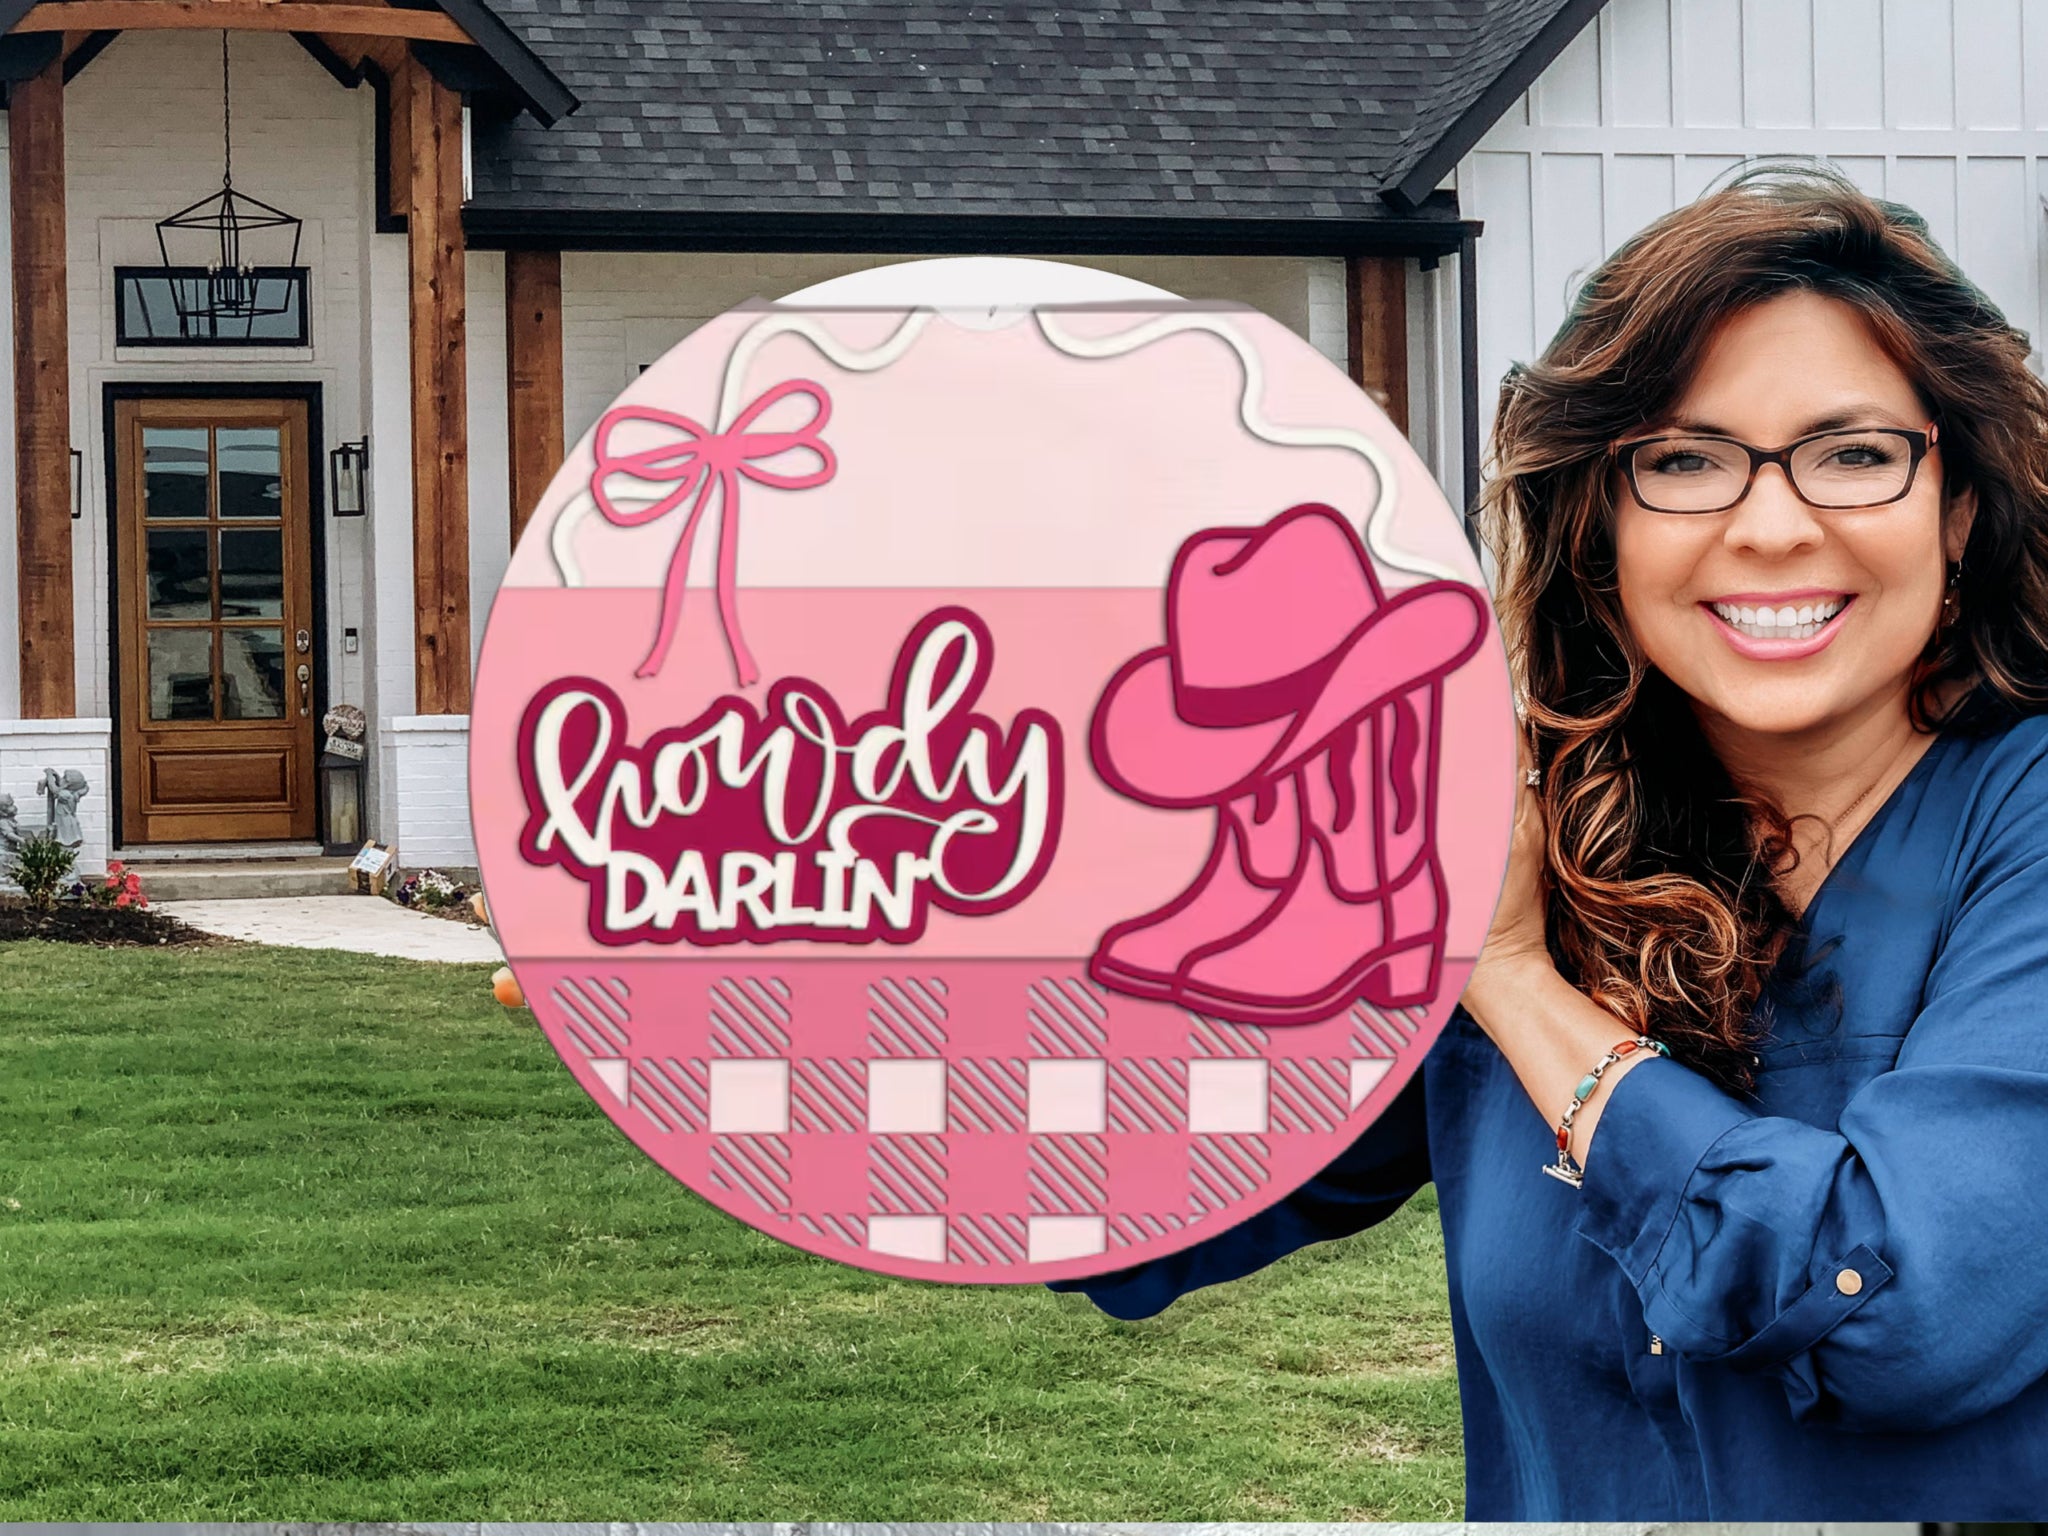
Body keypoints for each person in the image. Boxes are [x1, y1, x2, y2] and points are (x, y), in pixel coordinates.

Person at [1052, 164, 2048, 1518]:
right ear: (1600, 526)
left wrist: (1516, 983)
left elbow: (1904, 1313)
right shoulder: (1528, 838)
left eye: (1855, 455)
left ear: (1960, 507)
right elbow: (1131, 1203)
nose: (1770, 527)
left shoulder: (2015, 827)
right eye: (1684, 461)